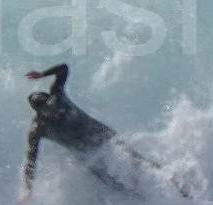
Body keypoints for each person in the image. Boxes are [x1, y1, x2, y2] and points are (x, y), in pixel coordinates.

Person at [21, 63, 137, 197]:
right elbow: (31, 159)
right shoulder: (38, 129)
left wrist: (43, 74)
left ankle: (164, 177)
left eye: (50, 104)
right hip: (87, 154)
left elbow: (64, 68)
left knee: (135, 159)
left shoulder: (58, 96)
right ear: (39, 112)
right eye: (46, 110)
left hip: (101, 134)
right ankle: (139, 199)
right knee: (114, 184)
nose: (52, 109)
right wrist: (28, 188)